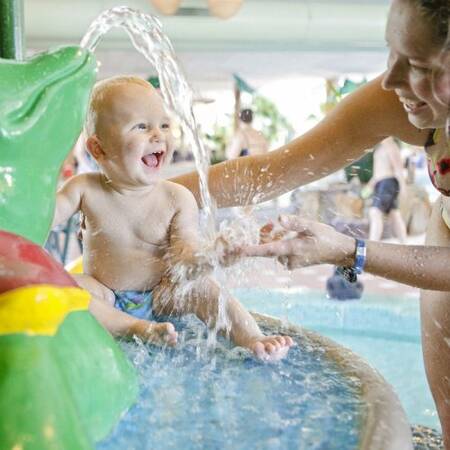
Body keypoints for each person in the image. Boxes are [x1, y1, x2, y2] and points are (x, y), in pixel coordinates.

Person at [170, 0, 450, 445]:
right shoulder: (397, 95)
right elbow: (272, 171)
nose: (391, 78)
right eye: (390, 52)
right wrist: (142, 199)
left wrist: (345, 249)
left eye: (416, 63)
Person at [53, 76, 293, 361]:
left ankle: (252, 337)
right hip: (105, 295)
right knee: (64, 285)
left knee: (203, 288)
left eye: (164, 125)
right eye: (142, 126)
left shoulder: (176, 198)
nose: (158, 135)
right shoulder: (84, 189)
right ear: (99, 149)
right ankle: (135, 327)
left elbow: (185, 252)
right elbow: (44, 216)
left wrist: (211, 255)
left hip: (162, 297)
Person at [368, 137, 408, 243]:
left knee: (375, 212)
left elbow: (398, 168)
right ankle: (404, 243)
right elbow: (377, 171)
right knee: (394, 214)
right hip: (380, 183)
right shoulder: (380, 147)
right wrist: (370, 185)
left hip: (388, 183)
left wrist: (403, 186)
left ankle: (372, 244)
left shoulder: (391, 145)